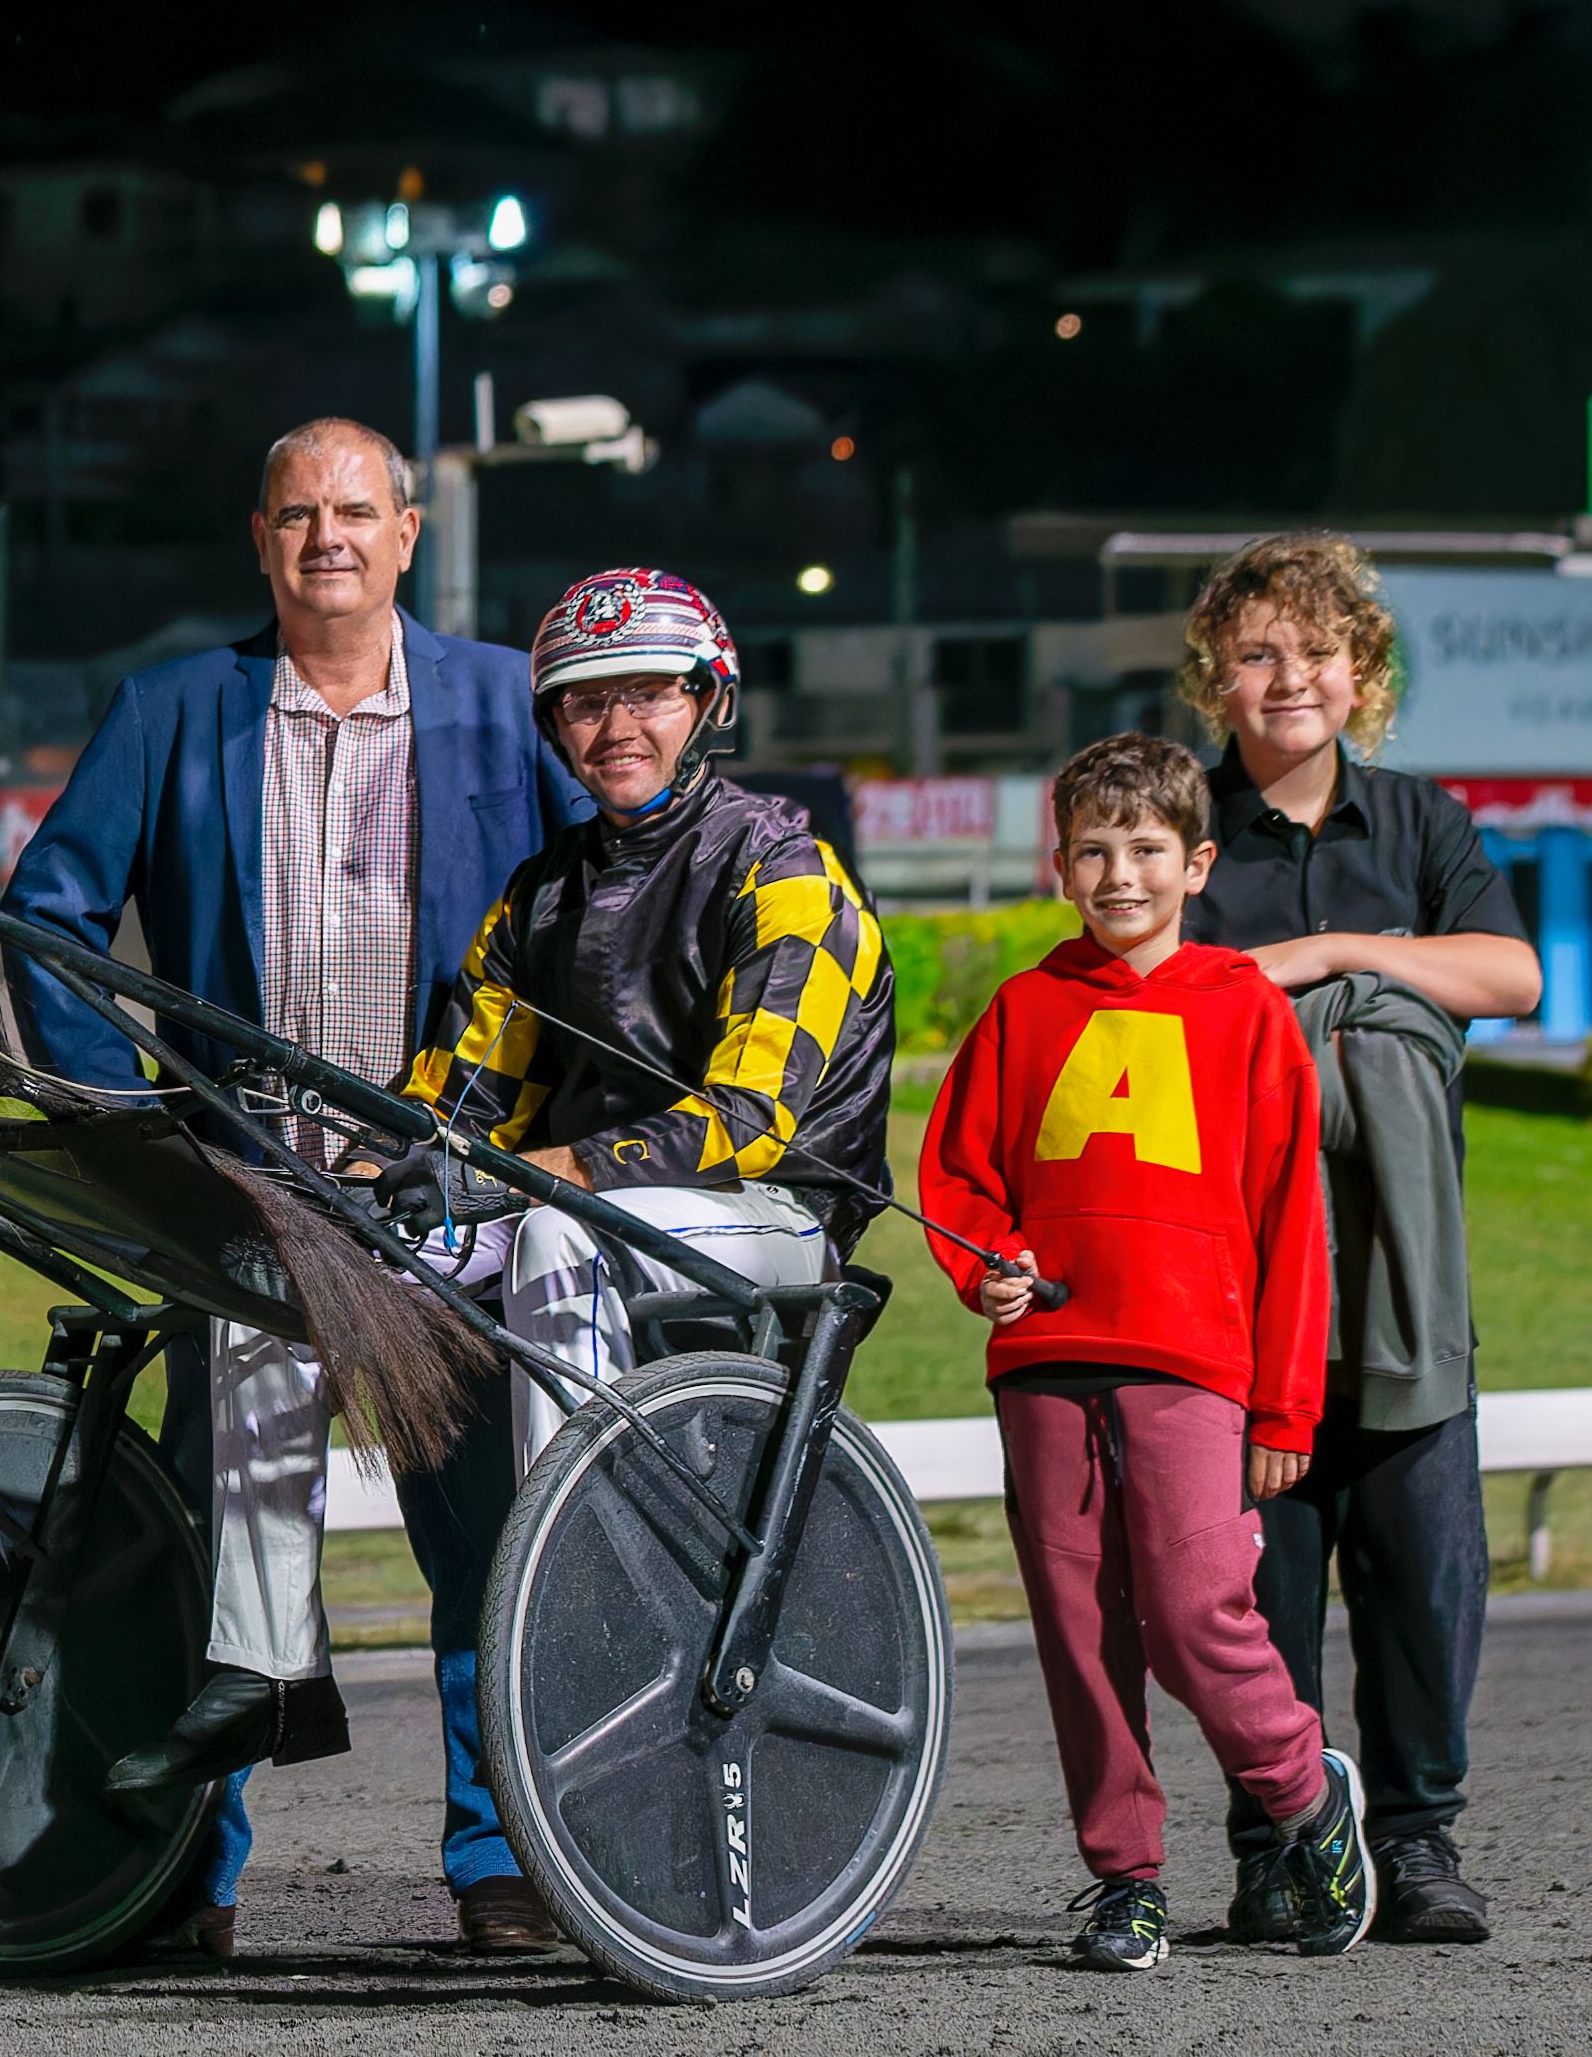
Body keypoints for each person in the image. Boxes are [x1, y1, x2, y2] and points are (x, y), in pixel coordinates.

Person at [5, 417, 592, 1956]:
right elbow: (45, 914)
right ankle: (189, 1879)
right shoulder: (172, 708)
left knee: (486, 1542)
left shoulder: (497, 704)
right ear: (257, 540)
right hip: (248, 1196)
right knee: (222, 1547)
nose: (324, 535)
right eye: (294, 514)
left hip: (436, 1196)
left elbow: (593, 916)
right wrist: (135, 1120)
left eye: (352, 511)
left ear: (407, 532)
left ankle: (501, 1861)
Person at [918, 733, 1375, 1967]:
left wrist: (1282, 1414)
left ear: (1196, 862)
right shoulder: (1024, 1010)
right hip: (1045, 1363)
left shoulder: (1243, 1012)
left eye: (1146, 851)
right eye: (1094, 852)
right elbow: (958, 1179)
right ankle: (1124, 1877)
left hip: (1189, 1369)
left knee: (1189, 1615)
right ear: (1059, 865)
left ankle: (1299, 1793)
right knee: (1080, 1636)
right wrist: (987, 1267)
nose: (1119, 875)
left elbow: (1290, 1224)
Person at [1178, 534, 1535, 1945]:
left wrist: (1335, 954)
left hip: (1402, 1273)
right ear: (1215, 670)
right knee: (1257, 1582)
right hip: (1238, 1280)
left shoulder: (1420, 821)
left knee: (1422, 1566)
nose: (1289, 677)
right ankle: (1277, 1845)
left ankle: (1416, 1839)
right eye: (1258, 651)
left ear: (1360, 672)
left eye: (1318, 650)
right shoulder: (1181, 821)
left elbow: (1504, 973)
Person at [388, 568, 897, 1467]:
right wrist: (358, 1180)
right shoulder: (539, 893)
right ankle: (249, 1617)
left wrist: (541, 1172)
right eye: (585, 702)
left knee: (557, 1232)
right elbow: (461, 1103)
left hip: (775, 1212)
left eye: (649, 693)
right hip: (583, 1195)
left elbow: (749, 1125)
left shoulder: (787, 873)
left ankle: (578, 1580)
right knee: (321, 1272)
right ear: (554, 725)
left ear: (709, 700)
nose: (617, 729)